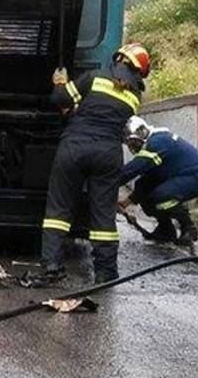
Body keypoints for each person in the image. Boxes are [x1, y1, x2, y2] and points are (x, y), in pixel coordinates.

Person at [27, 43, 151, 287]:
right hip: (108, 154)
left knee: (58, 211)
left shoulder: (94, 78)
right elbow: (106, 114)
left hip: (74, 148)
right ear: (138, 71)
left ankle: (51, 265)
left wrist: (60, 82)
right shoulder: (134, 97)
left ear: (118, 59)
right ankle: (105, 273)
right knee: (103, 217)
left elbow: (59, 99)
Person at [119, 116, 198, 245]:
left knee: (161, 197)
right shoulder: (157, 140)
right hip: (186, 175)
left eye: (133, 143)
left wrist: (106, 184)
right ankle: (165, 230)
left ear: (141, 132)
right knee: (144, 188)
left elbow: (134, 168)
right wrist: (125, 203)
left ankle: (188, 227)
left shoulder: (158, 141)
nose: (133, 147)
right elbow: (146, 181)